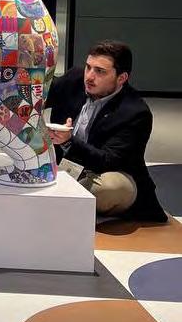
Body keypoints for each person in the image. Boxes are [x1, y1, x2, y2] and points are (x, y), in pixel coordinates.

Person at [47, 40, 167, 223]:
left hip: (108, 172)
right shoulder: (74, 79)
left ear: (121, 78)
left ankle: (73, 201)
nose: (89, 76)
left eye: (100, 71)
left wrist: (69, 140)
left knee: (107, 188)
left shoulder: (135, 112)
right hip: (66, 167)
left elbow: (108, 160)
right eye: (88, 67)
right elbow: (38, 98)